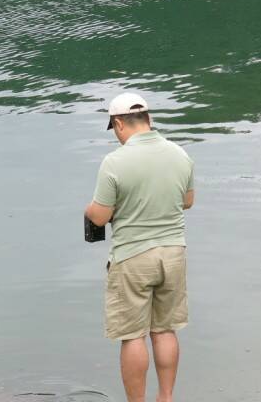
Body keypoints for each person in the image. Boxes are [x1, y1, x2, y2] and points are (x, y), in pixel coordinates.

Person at [84, 92, 195, 402]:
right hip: (173, 253)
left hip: (132, 257)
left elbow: (102, 215)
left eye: (115, 129)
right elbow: (187, 201)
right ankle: (167, 397)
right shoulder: (180, 154)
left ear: (118, 123)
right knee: (165, 329)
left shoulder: (115, 162)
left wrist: (89, 211)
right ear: (148, 119)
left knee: (132, 336)